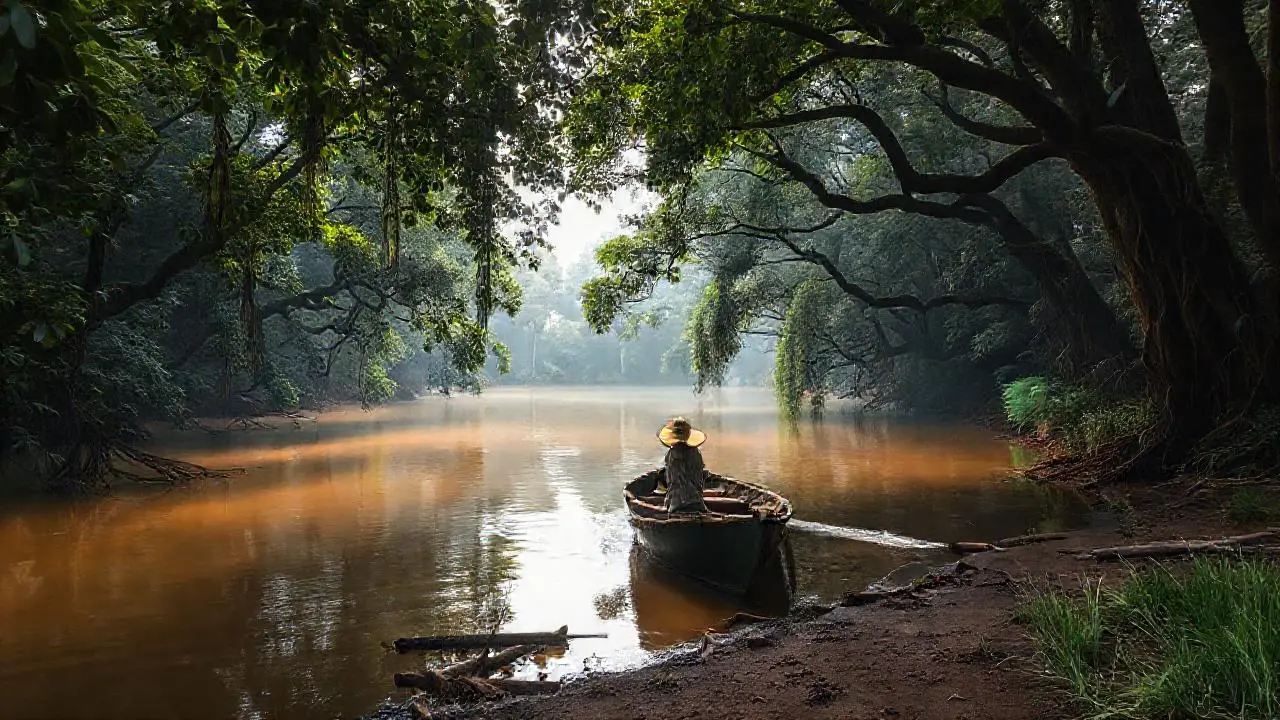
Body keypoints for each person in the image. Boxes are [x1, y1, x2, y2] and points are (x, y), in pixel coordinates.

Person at [657, 417, 707, 513]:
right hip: (697, 503)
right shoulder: (696, 453)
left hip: (675, 505)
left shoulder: (671, 455)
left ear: (673, 435)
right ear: (688, 435)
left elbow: (669, 479)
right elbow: (699, 475)